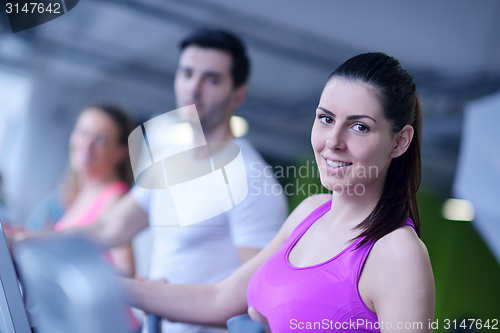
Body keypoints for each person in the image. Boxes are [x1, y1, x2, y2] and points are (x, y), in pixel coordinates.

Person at [118, 53, 436, 333]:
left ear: (400, 141)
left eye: (359, 127)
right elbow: (219, 300)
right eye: (326, 119)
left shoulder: (398, 254)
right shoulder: (310, 212)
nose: (333, 141)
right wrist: (114, 287)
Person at [31, 28, 287, 333]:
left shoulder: (251, 180)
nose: (194, 88)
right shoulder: (169, 158)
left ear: (239, 94)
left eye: (212, 79)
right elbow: (110, 227)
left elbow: (257, 302)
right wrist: (23, 241)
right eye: (187, 74)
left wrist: (158, 295)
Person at [25, 103, 135, 277]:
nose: (87, 145)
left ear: (120, 152)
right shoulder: (77, 194)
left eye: (101, 139)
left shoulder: (115, 198)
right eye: (83, 133)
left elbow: (126, 274)